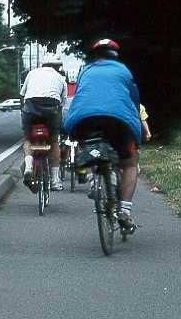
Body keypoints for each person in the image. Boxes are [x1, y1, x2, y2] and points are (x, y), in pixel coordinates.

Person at [63, 39, 141, 233]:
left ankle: (92, 178)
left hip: (84, 120)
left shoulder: (85, 71)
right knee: (130, 162)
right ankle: (124, 210)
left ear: (95, 55)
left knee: (86, 144)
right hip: (118, 121)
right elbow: (134, 99)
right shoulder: (123, 71)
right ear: (115, 54)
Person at [20, 53, 68, 191]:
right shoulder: (60, 78)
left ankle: (28, 167)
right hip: (51, 109)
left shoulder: (32, 73)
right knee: (54, 141)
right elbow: (63, 102)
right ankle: (55, 180)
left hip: (31, 107)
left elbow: (23, 94)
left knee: (28, 139)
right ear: (57, 66)